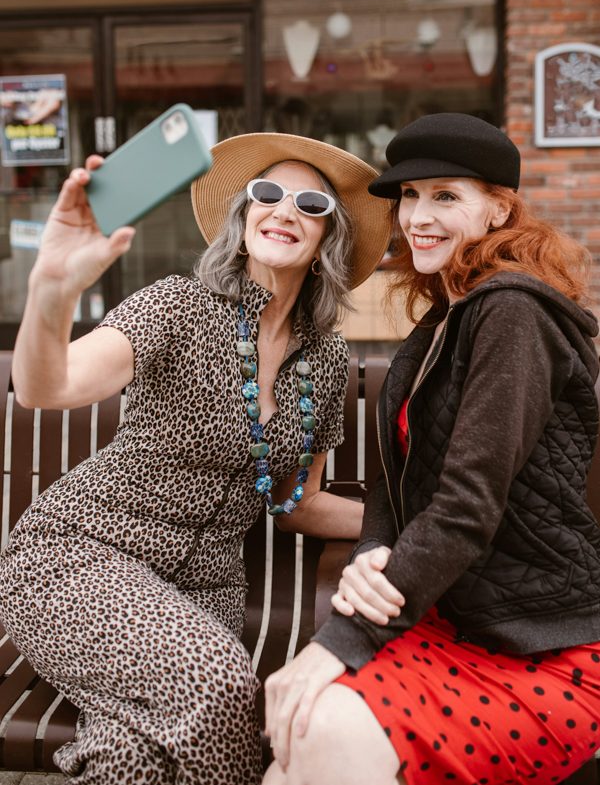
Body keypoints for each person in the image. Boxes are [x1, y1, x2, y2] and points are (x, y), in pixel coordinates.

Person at [0, 131, 391, 785]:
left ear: (330, 237)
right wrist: (51, 289)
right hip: (76, 557)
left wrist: (404, 523)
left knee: (135, 754)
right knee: (223, 684)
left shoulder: (324, 361)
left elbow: (295, 504)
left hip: (204, 592)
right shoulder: (176, 307)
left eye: (310, 204)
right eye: (267, 194)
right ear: (243, 222)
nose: (284, 209)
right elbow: (48, 386)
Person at [262, 113, 600, 785]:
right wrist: (370, 556)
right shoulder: (443, 322)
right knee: (296, 737)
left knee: (318, 726)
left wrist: (341, 638)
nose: (418, 215)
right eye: (409, 196)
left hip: (545, 644)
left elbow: (467, 504)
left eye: (446, 195)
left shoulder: (513, 314)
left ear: (499, 207)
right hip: (452, 618)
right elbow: (395, 483)